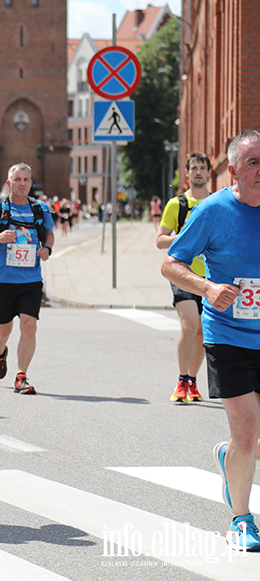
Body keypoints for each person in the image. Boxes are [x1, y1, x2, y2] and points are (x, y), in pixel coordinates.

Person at [160, 129, 260, 551]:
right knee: (247, 432)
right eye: (254, 163)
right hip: (229, 336)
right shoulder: (212, 210)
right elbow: (170, 263)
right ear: (234, 170)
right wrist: (206, 288)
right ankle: (241, 518)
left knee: (251, 439)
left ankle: (228, 458)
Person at [0, 163, 55, 395]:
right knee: (3, 331)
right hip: (3, 279)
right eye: (17, 179)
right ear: (9, 183)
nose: (21, 183)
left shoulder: (40, 209)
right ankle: (0, 351)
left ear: (31, 183)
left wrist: (47, 249)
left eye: (26, 179)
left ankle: (21, 376)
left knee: (29, 325)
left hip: (31, 279)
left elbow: (49, 234)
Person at [156, 152, 213, 403]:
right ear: (187, 173)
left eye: (203, 168)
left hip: (211, 276)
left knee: (202, 332)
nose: (198, 172)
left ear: (209, 173)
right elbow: (160, 240)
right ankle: (181, 381)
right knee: (189, 326)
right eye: (194, 168)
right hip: (182, 273)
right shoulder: (175, 205)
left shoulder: (216, 203)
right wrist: (185, 238)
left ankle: (192, 380)